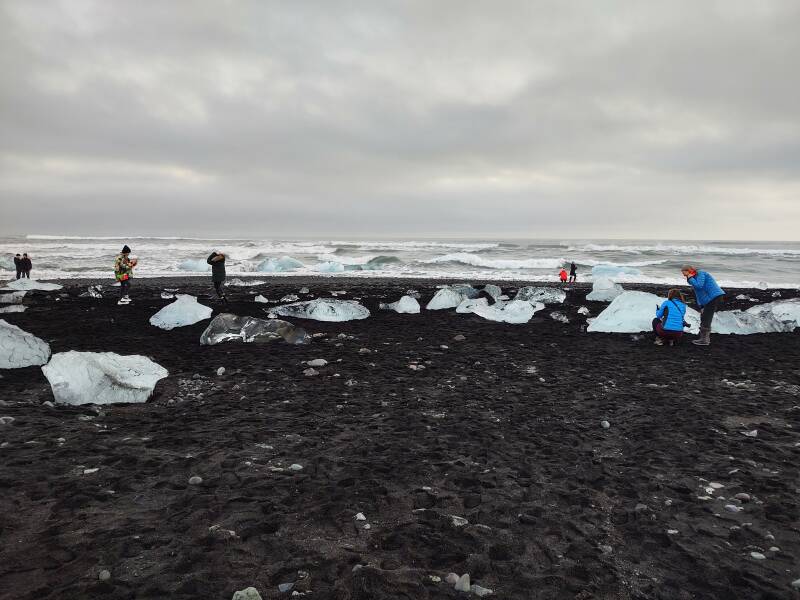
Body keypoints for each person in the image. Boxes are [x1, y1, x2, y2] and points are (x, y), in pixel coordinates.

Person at [681, 265, 725, 346]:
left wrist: (690, 278)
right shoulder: (693, 278)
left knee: (706, 318)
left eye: (685, 274)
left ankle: (704, 340)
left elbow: (699, 285)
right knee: (704, 317)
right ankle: (703, 338)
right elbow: (698, 293)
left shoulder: (701, 273)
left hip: (714, 297)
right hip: (709, 299)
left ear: (690, 270)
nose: (685, 276)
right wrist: (701, 306)